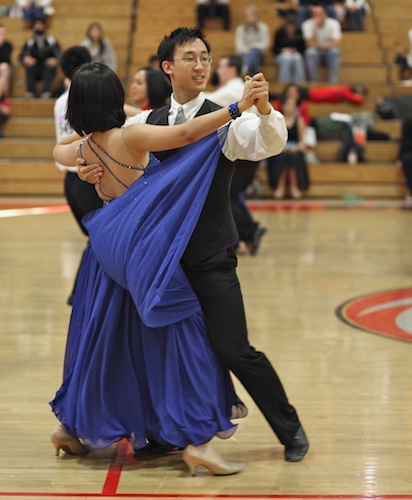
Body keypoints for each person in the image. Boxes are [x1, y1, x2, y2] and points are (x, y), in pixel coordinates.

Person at [78, 27, 309, 463]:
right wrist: (84, 170)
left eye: (205, 57)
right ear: (168, 67)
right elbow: (97, 149)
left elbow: (268, 143)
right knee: (161, 349)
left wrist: (265, 109)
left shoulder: (226, 120)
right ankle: (166, 433)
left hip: (208, 255)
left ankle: (290, 427)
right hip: (160, 263)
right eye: (190, 58)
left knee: (232, 348)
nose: (200, 65)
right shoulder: (145, 123)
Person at [50, 61, 268, 475]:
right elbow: (185, 134)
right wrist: (236, 108)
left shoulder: (85, 148)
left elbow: (58, 148)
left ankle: (71, 430)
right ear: (115, 98)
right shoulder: (131, 136)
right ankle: (199, 441)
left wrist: (80, 165)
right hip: (144, 252)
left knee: (107, 344)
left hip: (105, 255)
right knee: (188, 339)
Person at [54, 46, 103, 305]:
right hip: (87, 177)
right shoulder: (86, 98)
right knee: (99, 237)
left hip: (70, 181)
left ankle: (83, 292)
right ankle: (80, 292)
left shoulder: (60, 101)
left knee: (95, 238)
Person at [205, 54, 267, 255]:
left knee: (224, 195)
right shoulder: (234, 88)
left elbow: (202, 102)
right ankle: (238, 237)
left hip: (244, 152)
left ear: (232, 70)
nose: (217, 70)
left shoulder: (234, 88)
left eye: (221, 66)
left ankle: (250, 231)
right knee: (230, 194)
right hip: (243, 151)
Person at [267, 96, 309, 198]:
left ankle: (294, 186)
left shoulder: (299, 121)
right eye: (288, 105)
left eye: (293, 105)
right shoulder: (277, 121)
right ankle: (279, 186)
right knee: (283, 157)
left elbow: (302, 143)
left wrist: (295, 148)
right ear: (283, 106)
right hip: (279, 150)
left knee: (293, 157)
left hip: (294, 150)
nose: (290, 107)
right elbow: (272, 140)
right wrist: (281, 148)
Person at [19, 18, 61, 98]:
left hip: (48, 69)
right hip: (35, 69)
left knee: (47, 66)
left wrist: (55, 60)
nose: (38, 27)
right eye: (36, 25)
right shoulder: (30, 41)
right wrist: (26, 59)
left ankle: (45, 92)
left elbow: (59, 54)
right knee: (30, 67)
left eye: (40, 25)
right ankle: (30, 92)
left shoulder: (51, 40)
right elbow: (21, 55)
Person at [302, 5, 342, 83]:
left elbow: (336, 42)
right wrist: (316, 29)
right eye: (315, 14)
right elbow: (309, 43)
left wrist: (320, 46)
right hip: (316, 52)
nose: (317, 16)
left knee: (334, 51)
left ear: (325, 14)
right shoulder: (307, 24)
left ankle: (333, 81)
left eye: (319, 14)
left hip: (328, 51)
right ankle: (313, 80)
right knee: (310, 52)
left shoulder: (334, 23)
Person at [235, 5, 270, 76]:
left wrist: (252, 46)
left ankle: (245, 68)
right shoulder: (240, 29)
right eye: (247, 16)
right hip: (244, 55)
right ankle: (254, 77)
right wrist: (250, 50)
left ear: (256, 16)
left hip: (259, 55)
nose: (249, 18)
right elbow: (239, 47)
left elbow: (265, 45)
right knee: (252, 55)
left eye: (251, 16)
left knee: (254, 52)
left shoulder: (263, 27)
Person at [272, 13, 306, 83]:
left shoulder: (299, 32)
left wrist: (296, 50)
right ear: (286, 26)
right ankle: (283, 83)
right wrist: (283, 50)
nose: (291, 29)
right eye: (290, 26)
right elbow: (274, 49)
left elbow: (303, 48)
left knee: (298, 58)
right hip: (281, 55)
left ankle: (300, 83)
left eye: (293, 27)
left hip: (295, 54)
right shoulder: (279, 33)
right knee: (287, 58)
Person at [397, 118, 412, 204]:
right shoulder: (408, 122)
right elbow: (404, 140)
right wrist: (399, 158)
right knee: (407, 160)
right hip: (410, 151)